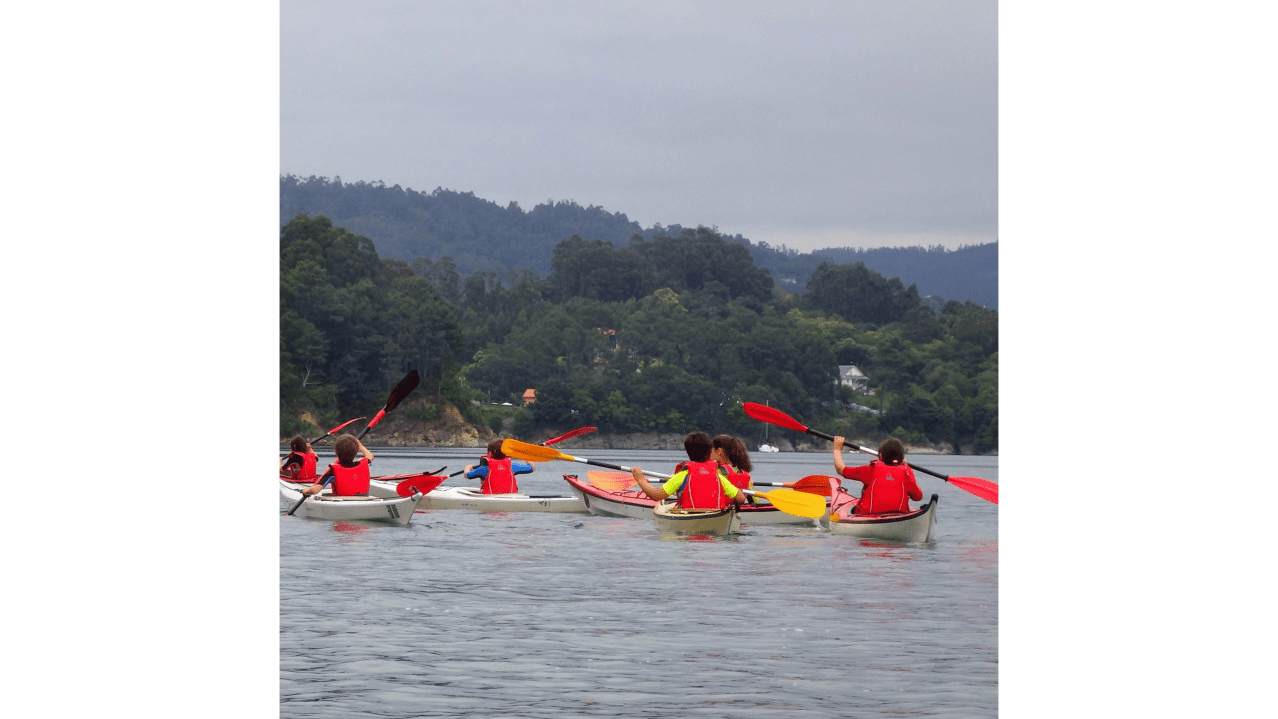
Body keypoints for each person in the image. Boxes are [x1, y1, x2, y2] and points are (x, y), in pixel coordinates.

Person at [632, 431, 746, 510]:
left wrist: (640, 479)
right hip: (716, 515)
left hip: (689, 517)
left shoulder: (683, 476)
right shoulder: (718, 477)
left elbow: (656, 495)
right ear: (709, 452)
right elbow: (741, 498)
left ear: (688, 453)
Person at [831, 436, 922, 514]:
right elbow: (917, 497)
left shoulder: (871, 469)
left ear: (880, 456)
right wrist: (904, 466)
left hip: (868, 515)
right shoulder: (906, 471)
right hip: (898, 515)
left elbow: (841, 469)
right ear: (902, 458)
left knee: (854, 509)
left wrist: (837, 450)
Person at [302, 434, 373, 497]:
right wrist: (361, 447)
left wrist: (305, 491)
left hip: (343, 504)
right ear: (356, 454)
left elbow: (315, 490)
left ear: (335, 453)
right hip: (363, 500)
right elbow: (370, 456)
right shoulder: (364, 463)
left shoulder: (332, 471)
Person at [465, 439, 535, 494]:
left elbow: (467, 475)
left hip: (490, 498)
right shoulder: (513, 466)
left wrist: (468, 467)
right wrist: (525, 455)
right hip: (511, 498)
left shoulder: (483, 469)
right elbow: (532, 467)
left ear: (489, 453)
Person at [712, 434, 755, 502]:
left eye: (711, 449)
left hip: (721, 508)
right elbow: (755, 501)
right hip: (735, 510)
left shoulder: (717, 471)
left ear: (719, 451)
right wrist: (750, 486)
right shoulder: (740, 471)